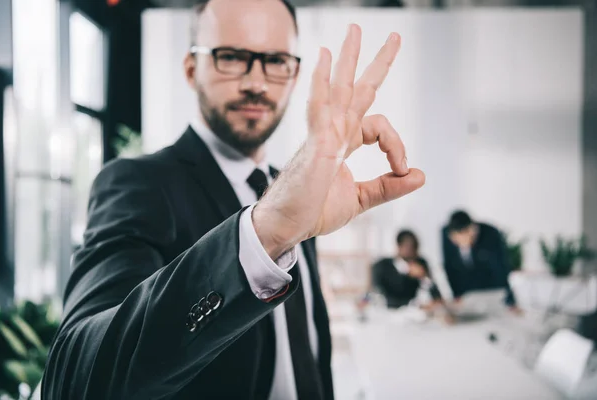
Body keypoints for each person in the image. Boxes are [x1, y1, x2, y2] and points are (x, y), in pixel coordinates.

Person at [41, 0, 425, 399]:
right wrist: (265, 232)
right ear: (192, 69)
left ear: (293, 75)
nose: (256, 82)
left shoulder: (297, 187)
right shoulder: (138, 184)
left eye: (275, 61)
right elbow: (73, 380)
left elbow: (309, 352)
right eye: (231, 57)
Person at [442, 210, 518, 309]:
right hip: (466, 297)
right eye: (457, 236)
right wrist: (457, 296)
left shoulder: (491, 233)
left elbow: (501, 269)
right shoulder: (445, 234)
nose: (462, 238)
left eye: (466, 233)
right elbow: (450, 268)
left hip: (493, 292)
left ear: (473, 229)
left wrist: (509, 301)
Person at [372, 230, 442, 308]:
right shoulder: (382, 265)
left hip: (416, 314)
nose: (413, 252)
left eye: (415, 247)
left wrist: (424, 277)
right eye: (409, 247)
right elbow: (379, 296)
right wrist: (415, 304)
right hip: (389, 313)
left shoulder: (421, 263)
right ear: (399, 246)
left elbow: (437, 298)